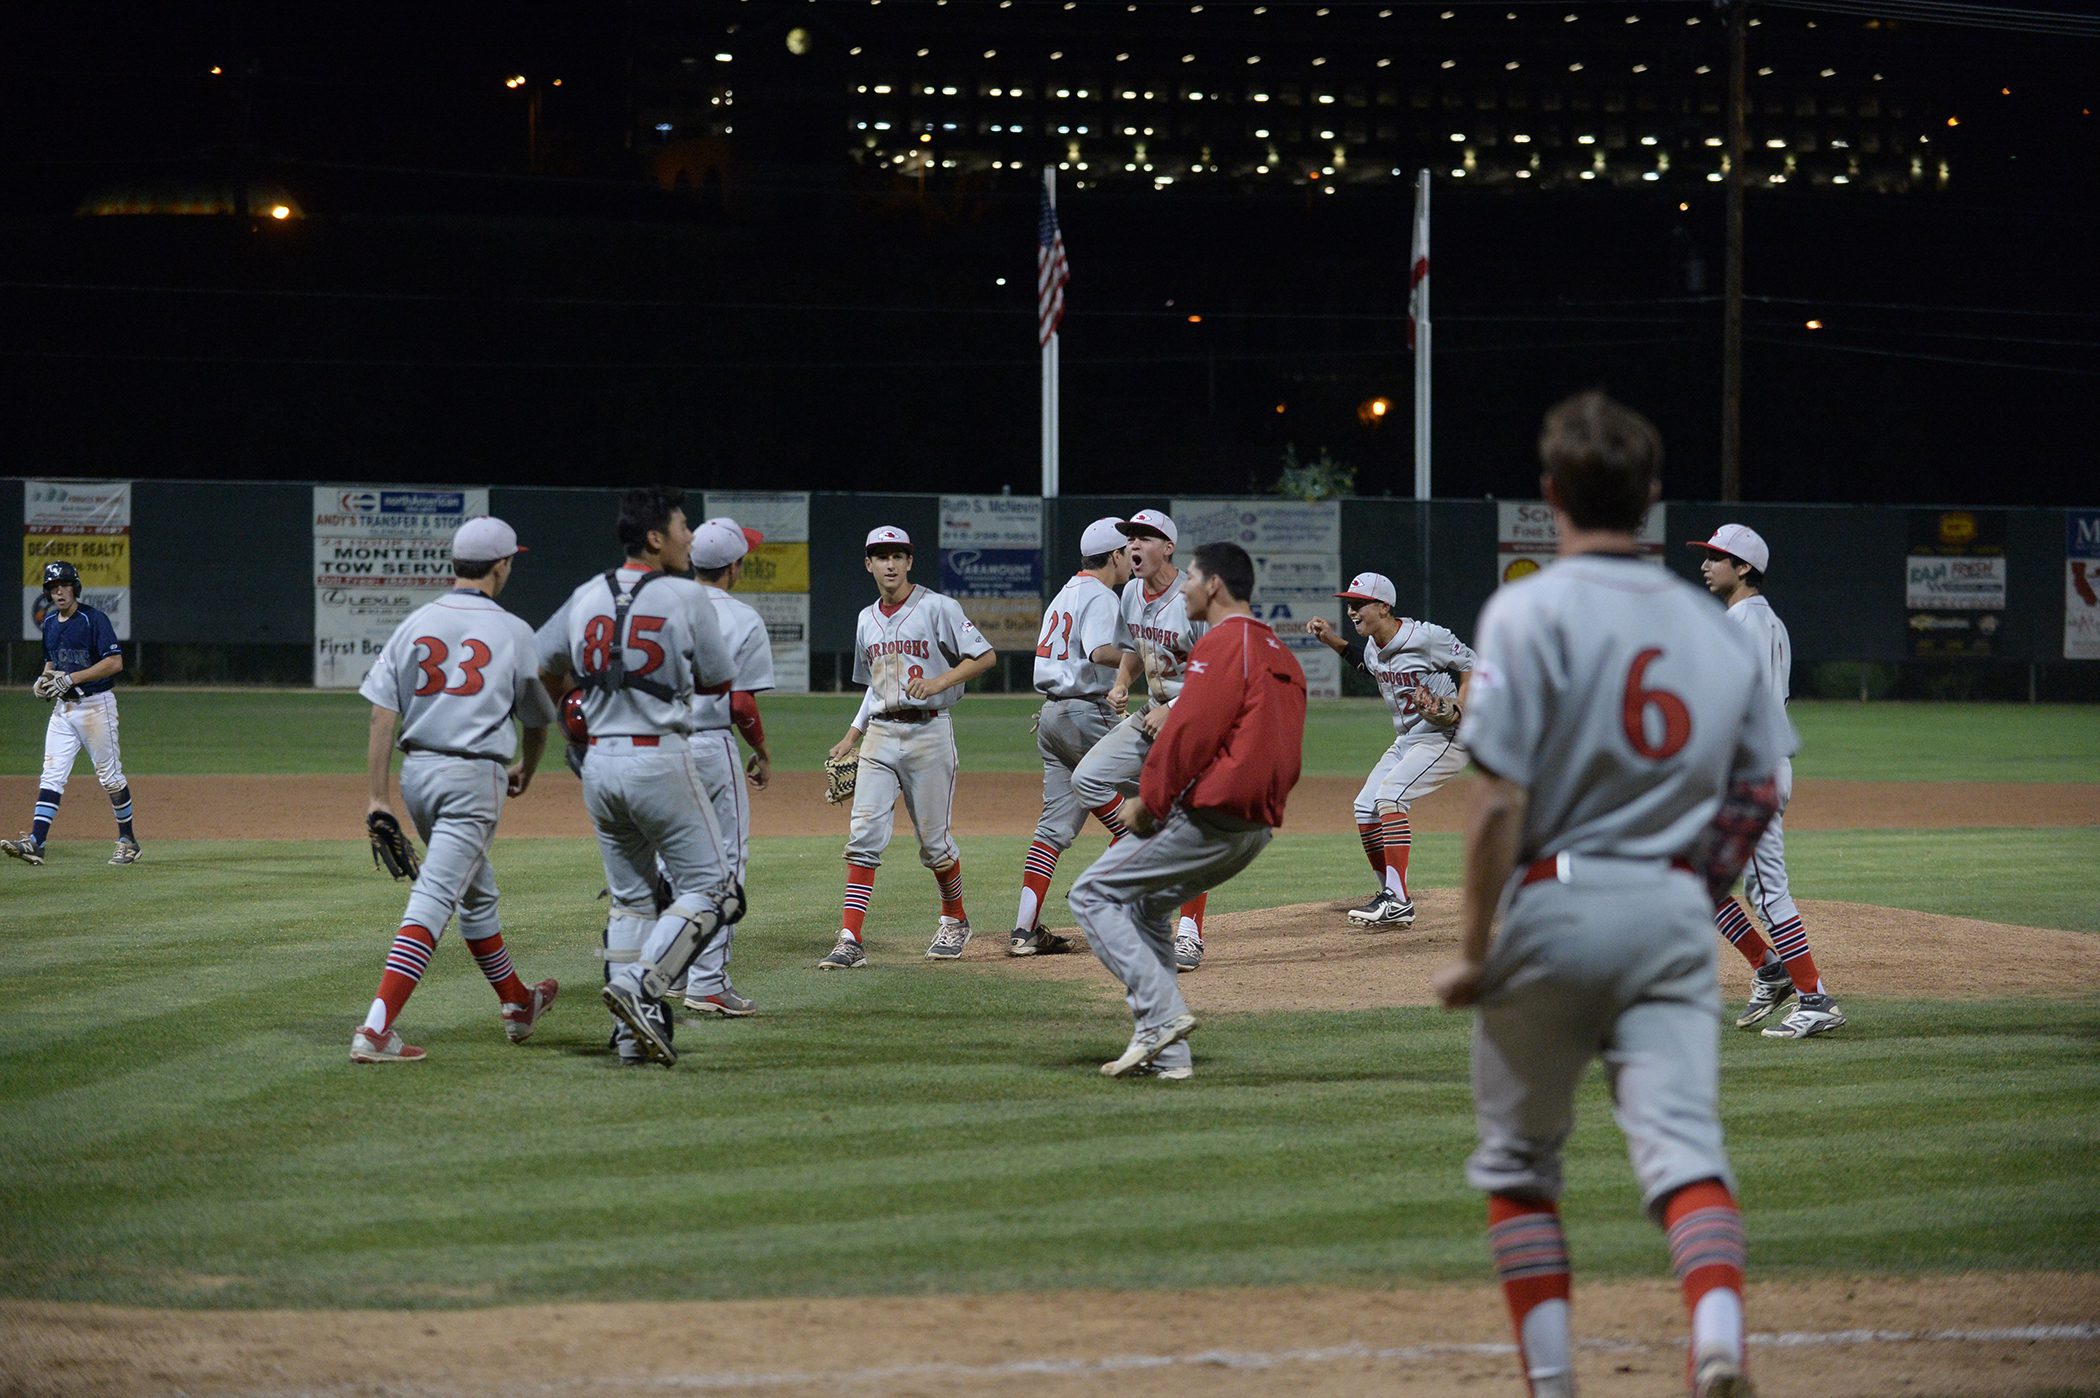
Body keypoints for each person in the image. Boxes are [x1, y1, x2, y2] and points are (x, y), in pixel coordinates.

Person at [1434, 391, 1791, 1398]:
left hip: (1555, 904)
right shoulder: (1714, 626)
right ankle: (1716, 1337)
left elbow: (1496, 799)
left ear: (1551, 494)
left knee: (1519, 1165)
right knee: (1685, 1154)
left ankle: (1553, 1384)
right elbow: (1759, 789)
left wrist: (1473, 951)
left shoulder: (1527, 610)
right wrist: (1688, 887)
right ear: (1652, 497)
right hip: (1672, 914)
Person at [1067, 541, 1306, 1081]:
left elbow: (1188, 734)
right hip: (1255, 824)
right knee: (1148, 908)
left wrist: (1151, 804)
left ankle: (1162, 1015)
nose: (1187, 586)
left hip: (1211, 816)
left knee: (1091, 895)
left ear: (1214, 585)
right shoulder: (1277, 649)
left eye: (1193, 577)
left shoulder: (1223, 642)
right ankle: (1170, 1058)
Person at [538, 486, 743, 1068]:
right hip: (659, 758)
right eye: (682, 528)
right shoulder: (686, 595)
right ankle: (642, 985)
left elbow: (540, 663)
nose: (690, 538)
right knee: (716, 892)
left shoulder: (586, 593)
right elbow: (717, 680)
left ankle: (631, 1037)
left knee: (631, 902)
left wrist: (570, 718)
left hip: (599, 763)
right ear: (655, 538)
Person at [349, 517, 560, 1064]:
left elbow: (382, 714)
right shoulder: (513, 630)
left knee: (477, 892)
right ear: (501, 565)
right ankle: (376, 1030)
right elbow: (538, 719)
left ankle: (518, 1003)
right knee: (435, 897)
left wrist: (378, 798)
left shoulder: (416, 622)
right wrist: (528, 768)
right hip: (472, 780)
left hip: (417, 776)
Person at [1691, 524, 1846, 1041]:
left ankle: (1815, 998)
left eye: (1717, 557)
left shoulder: (1743, 623)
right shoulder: (1764, 620)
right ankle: (1769, 966)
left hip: (1750, 770)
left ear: (1743, 568)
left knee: (1767, 890)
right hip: (1745, 765)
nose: (1706, 565)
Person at [818, 526, 996, 968]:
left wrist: (939, 682)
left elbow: (985, 656)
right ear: (869, 564)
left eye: (898, 555)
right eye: (882, 557)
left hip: (929, 732)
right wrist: (852, 734)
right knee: (862, 837)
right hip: (880, 734)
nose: (891, 564)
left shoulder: (938, 607)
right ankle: (850, 938)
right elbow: (875, 684)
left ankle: (954, 919)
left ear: (910, 561)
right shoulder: (866, 619)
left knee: (934, 845)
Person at [1069, 510, 1215, 971]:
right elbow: (1133, 647)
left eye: (1145, 537)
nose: (1134, 544)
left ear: (1168, 548)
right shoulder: (1131, 592)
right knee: (1087, 778)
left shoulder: (1195, 598)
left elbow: (1220, 673)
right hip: (1151, 714)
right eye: (1130, 537)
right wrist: (1120, 683)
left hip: (1196, 720)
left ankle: (1189, 933)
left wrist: (1175, 709)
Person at [1306, 570, 1477, 929]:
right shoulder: (1373, 646)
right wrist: (1331, 640)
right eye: (1349, 605)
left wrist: (1462, 705)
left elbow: (1472, 664)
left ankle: (1397, 900)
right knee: (1365, 807)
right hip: (1409, 739)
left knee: (1391, 796)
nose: (1352, 611)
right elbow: (1368, 666)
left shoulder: (1426, 637)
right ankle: (1391, 895)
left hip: (1445, 736)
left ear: (1384, 607)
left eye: (1359, 604)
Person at [1008, 517, 1135, 956]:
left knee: (1053, 829)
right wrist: (1147, 656)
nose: (1133, 559)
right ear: (1115, 555)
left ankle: (1024, 931)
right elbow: (1100, 651)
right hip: (1086, 715)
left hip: (1052, 717)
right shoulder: (1101, 595)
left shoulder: (1065, 593)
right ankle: (1094, 894)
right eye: (1128, 552)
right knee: (1155, 806)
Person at [676, 516, 777, 1017]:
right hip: (710, 746)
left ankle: (672, 967)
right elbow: (740, 703)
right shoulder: (742, 618)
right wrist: (761, 751)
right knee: (724, 865)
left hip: (659, 746)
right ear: (734, 567)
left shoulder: (662, 604)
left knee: (672, 860)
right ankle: (708, 982)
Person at [4, 562, 140, 868]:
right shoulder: (50, 622)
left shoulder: (93, 619)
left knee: (110, 777)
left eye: (64, 585)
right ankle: (37, 842)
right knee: (51, 774)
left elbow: (115, 662)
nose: (59, 591)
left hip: (96, 707)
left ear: (75, 588)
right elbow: (51, 663)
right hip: (63, 709)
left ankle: (128, 841)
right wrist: (43, 681)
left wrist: (73, 678)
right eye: (53, 587)